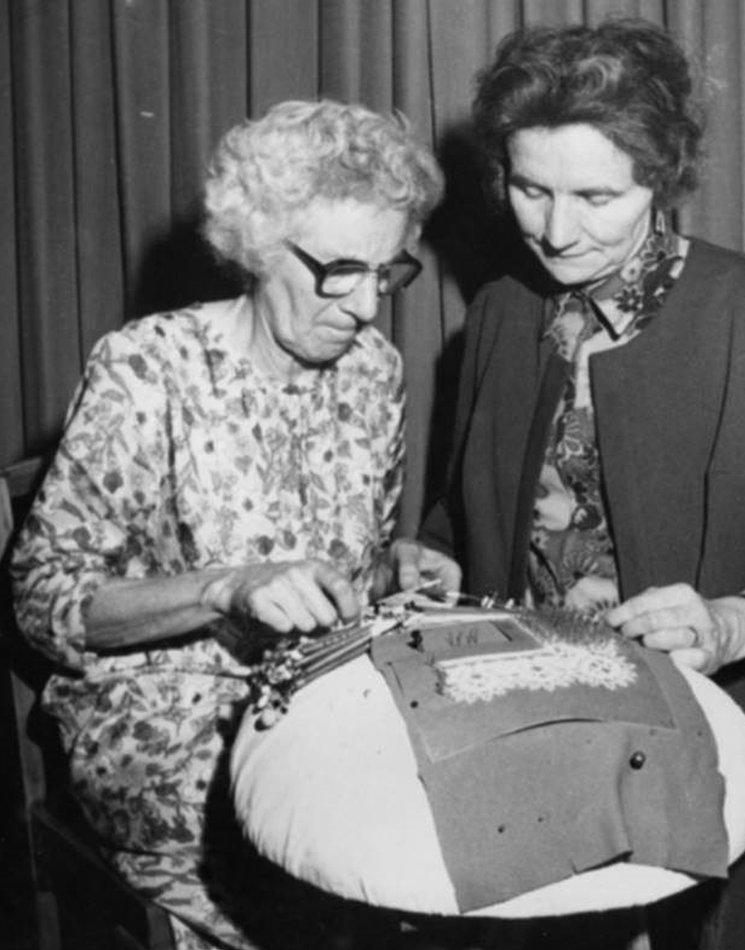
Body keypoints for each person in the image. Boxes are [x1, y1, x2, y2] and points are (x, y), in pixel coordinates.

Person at [402, 20, 745, 950]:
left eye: (596, 196)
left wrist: (731, 619)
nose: (554, 229)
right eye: (530, 188)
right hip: (530, 736)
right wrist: (432, 558)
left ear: (662, 181)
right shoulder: (501, 312)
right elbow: (462, 510)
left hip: (702, 737)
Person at [10, 98, 459, 950]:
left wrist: (392, 568)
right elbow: (42, 603)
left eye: (389, 271)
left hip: (322, 704)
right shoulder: (148, 370)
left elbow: (343, 571)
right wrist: (223, 588)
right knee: (340, 845)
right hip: (165, 727)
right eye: (339, 270)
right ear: (256, 243)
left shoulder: (373, 372)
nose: (366, 306)